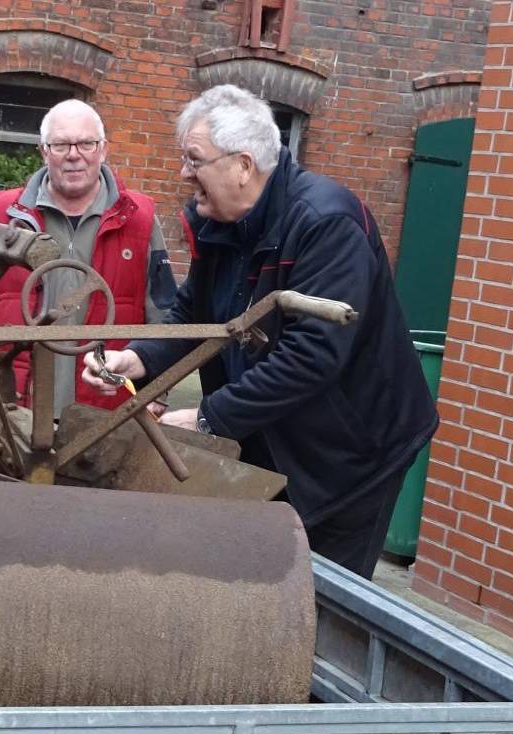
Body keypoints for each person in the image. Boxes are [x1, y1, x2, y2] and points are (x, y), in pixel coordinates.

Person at [84, 84, 437, 580]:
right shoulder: (220, 221)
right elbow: (194, 310)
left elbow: (311, 355)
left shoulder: (325, 224)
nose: (184, 173)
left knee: (316, 596)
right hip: (274, 435)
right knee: (258, 570)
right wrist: (140, 358)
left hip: (350, 455)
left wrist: (210, 416)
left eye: (194, 159)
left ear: (243, 166)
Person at [0, 99, 177, 413]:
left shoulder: (139, 219)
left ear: (103, 150)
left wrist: (158, 391)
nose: (74, 155)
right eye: (61, 145)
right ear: (44, 152)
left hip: (106, 406)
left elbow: (164, 314)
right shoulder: (7, 215)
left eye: (86, 144)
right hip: (17, 405)